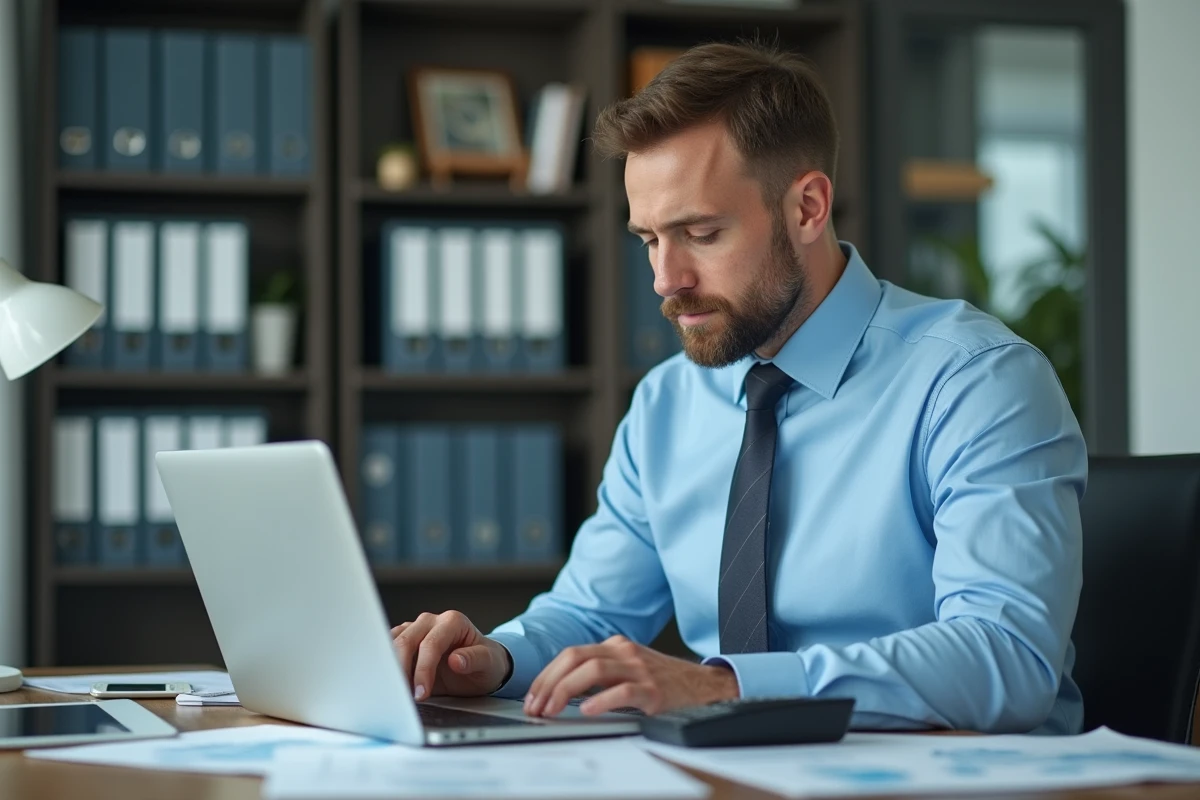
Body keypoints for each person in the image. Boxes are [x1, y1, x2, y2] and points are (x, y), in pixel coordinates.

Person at [390, 40, 1086, 734]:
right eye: (650, 240)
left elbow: (1007, 656)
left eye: (701, 232)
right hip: (733, 772)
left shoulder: (976, 381)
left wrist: (723, 685)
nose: (667, 280)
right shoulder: (666, 404)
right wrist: (496, 658)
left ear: (808, 208)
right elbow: (589, 614)